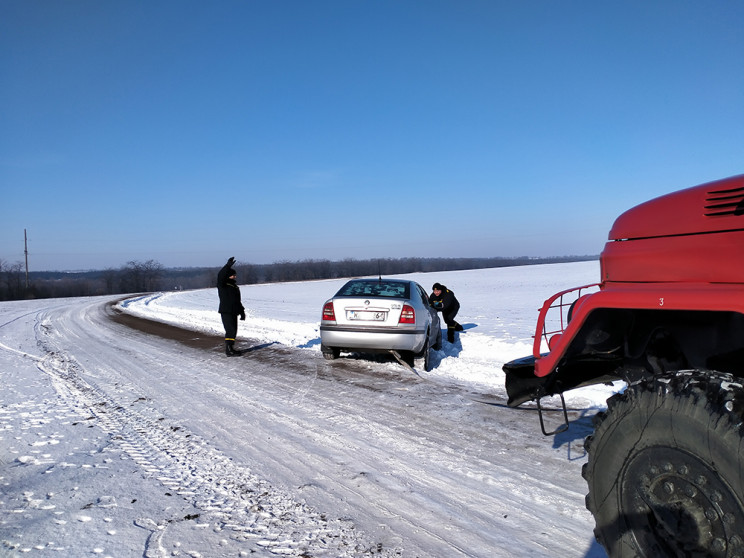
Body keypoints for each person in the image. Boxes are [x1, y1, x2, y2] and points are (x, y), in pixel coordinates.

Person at [217, 257, 245, 356]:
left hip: (234, 311)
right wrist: (227, 266)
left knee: (234, 330)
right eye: (233, 275)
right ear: (229, 276)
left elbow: (237, 301)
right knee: (230, 330)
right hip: (226, 311)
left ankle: (231, 348)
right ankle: (229, 350)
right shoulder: (223, 285)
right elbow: (220, 275)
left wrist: (242, 312)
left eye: (235, 275)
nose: (235, 276)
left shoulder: (235, 287)